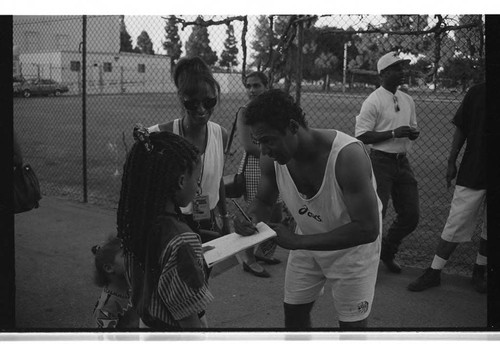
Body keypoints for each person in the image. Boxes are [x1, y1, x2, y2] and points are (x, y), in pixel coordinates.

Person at [234, 89, 382, 329]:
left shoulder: (346, 157)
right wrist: (249, 219)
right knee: (293, 314)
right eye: (258, 141)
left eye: (268, 140)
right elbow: (263, 201)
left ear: (292, 127)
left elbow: (367, 229)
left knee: (351, 329)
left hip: (353, 250)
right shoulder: (271, 159)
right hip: (305, 240)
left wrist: (297, 242)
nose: (263, 150)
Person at [117, 127, 214, 329]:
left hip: (148, 324)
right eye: (196, 180)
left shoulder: (137, 224)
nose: (198, 188)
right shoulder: (181, 241)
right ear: (180, 181)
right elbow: (188, 318)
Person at [408, 82, 487, 293]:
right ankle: (434, 271)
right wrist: (451, 161)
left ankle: (480, 270)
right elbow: (462, 126)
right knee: (457, 221)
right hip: (475, 168)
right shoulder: (478, 91)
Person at [148, 56, 230, 243]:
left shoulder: (220, 135)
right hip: (171, 222)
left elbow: (218, 180)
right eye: (192, 103)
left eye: (209, 102)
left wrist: (225, 219)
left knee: (204, 269)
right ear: (181, 98)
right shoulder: (160, 136)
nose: (201, 110)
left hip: (206, 219)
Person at [355, 51, 420, 274]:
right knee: (377, 215)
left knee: (411, 215)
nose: (403, 72)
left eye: (403, 67)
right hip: (380, 162)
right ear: (384, 73)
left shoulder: (407, 99)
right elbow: (362, 135)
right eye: (398, 68)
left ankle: (387, 251)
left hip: (402, 162)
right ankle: (369, 264)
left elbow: (411, 126)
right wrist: (393, 133)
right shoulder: (373, 100)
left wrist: (412, 133)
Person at [235, 71, 283, 278]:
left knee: (276, 212)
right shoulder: (245, 112)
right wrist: (273, 153)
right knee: (256, 215)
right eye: (249, 86)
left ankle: (263, 252)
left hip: (274, 164)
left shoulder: (273, 109)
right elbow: (248, 145)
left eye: (257, 86)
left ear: (267, 85)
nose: (252, 90)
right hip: (256, 166)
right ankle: (248, 258)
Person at [92, 235, 139, 329]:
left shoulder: (130, 286)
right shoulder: (107, 307)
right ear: (109, 268)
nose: (132, 257)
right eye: (126, 255)